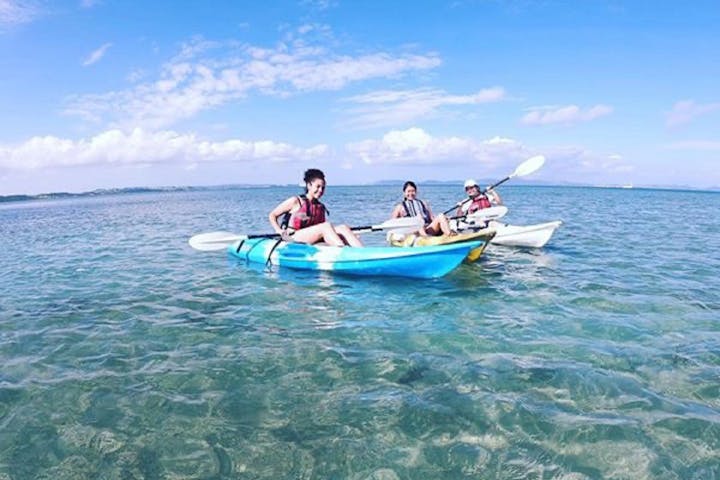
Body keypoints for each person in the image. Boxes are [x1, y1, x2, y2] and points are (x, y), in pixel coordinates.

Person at [268, 168, 363, 247]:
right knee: (326, 226)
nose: (320, 190)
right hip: (292, 238)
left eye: (323, 188)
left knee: (343, 228)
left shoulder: (320, 207)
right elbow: (272, 215)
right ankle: (343, 252)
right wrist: (279, 231)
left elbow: (320, 230)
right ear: (309, 185)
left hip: (311, 238)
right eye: (317, 186)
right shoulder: (295, 201)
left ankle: (361, 252)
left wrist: (345, 236)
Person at [390, 181, 455, 236]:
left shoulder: (423, 203)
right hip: (412, 232)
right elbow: (392, 223)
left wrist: (444, 219)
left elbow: (432, 218)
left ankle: (449, 235)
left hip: (427, 229)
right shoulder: (400, 207)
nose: (411, 193)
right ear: (404, 193)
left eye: (413, 191)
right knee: (418, 218)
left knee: (441, 215)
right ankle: (425, 238)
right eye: (408, 191)